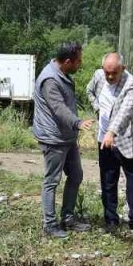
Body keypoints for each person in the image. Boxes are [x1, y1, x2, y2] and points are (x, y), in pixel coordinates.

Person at [32, 42, 94, 238]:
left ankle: (68, 218)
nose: (80, 65)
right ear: (68, 61)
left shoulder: (62, 74)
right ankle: (49, 224)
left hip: (66, 137)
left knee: (75, 175)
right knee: (52, 181)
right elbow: (58, 108)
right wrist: (77, 123)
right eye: (78, 62)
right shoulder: (50, 79)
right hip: (54, 138)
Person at [86, 52, 133, 231]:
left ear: (123, 69)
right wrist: (97, 108)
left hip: (128, 140)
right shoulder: (98, 76)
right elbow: (89, 90)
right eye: (107, 73)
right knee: (107, 180)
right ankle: (111, 219)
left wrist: (111, 132)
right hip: (104, 140)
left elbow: (124, 113)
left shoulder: (132, 84)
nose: (110, 76)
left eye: (114, 73)